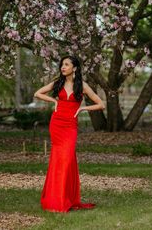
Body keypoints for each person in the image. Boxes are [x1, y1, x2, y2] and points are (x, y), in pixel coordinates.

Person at [34, 55, 105, 213]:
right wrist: (54, 101)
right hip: (57, 124)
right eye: (62, 65)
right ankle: (56, 201)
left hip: (70, 126)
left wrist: (82, 109)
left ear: (74, 68)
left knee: (67, 160)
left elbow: (101, 104)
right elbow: (37, 93)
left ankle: (66, 198)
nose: (63, 67)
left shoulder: (83, 86)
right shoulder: (57, 83)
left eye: (66, 65)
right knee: (58, 160)